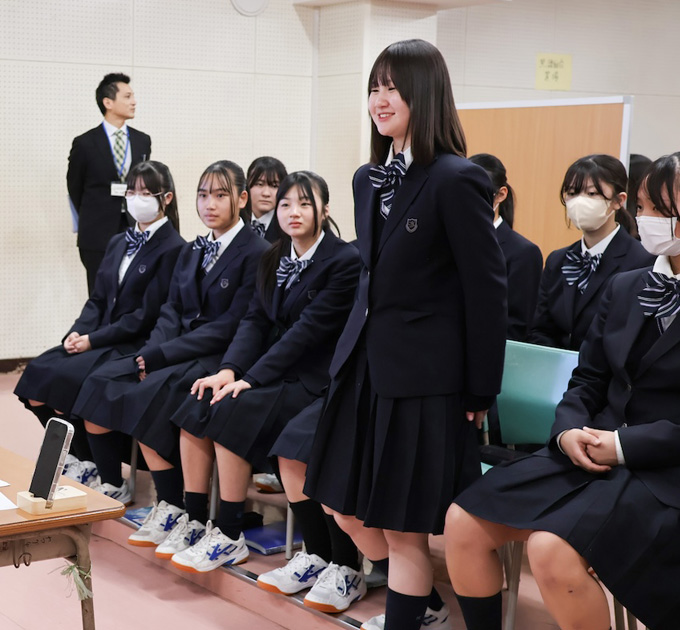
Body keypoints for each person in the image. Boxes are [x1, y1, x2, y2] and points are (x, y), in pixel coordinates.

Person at [302, 39, 507, 630]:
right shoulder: (367, 178)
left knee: (404, 529)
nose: (380, 99)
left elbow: (486, 292)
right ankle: (426, 609)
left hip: (424, 378)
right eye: (374, 87)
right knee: (342, 503)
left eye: (393, 87)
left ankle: (414, 617)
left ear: (426, 92)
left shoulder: (457, 178)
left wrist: (479, 390)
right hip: (364, 369)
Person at [445, 153, 680, 630]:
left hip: (665, 470)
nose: (646, 219)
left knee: (550, 548)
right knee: (462, 520)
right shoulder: (626, 286)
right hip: (591, 450)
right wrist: (567, 430)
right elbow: (587, 378)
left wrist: (622, 445)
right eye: (643, 207)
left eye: (659, 209)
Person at [157, 172, 364, 591]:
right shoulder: (274, 256)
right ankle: (206, 525)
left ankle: (235, 533)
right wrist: (229, 370)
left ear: (325, 210)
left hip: (318, 379)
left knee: (234, 410)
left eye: (304, 203)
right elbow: (254, 320)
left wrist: (251, 379)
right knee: (200, 402)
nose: (293, 212)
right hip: (278, 371)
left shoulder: (343, 260)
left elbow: (306, 332)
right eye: (285, 204)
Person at [73, 160, 267, 507]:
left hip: (217, 356)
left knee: (148, 398)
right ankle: (112, 480)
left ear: (241, 199)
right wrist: (150, 353)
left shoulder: (257, 252)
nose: (209, 204)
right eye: (203, 195)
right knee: (100, 380)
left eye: (220, 195)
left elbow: (231, 325)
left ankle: (172, 504)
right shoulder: (193, 249)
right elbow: (171, 310)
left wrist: (161, 355)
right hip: (176, 350)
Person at [15, 160, 185, 486]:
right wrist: (77, 332)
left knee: (74, 379)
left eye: (146, 193)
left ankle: (105, 474)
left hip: (132, 341)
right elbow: (97, 299)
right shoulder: (119, 241)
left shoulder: (174, 248)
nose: (136, 199)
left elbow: (146, 315)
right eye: (131, 191)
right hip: (99, 336)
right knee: (39, 374)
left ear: (166, 198)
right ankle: (81, 457)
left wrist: (93, 340)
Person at [527, 155, 653, 350]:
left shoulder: (643, 260)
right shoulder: (557, 260)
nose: (579, 201)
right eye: (572, 193)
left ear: (619, 200)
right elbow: (540, 329)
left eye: (592, 193)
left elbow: (632, 337)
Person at [68, 72, 152, 294]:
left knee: (133, 294)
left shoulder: (142, 141)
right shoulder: (85, 143)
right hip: (97, 232)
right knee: (100, 295)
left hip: (134, 228)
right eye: (127, 96)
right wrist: (92, 215)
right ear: (108, 102)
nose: (134, 102)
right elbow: (74, 188)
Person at [470, 153, 542, 343]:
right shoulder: (448, 241)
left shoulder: (523, 253)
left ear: (501, 194)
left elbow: (516, 327)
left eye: (477, 192)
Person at [241, 156, 293, 248]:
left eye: (274, 186)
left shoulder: (289, 226)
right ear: (247, 185)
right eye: (259, 184)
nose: (266, 193)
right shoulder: (235, 220)